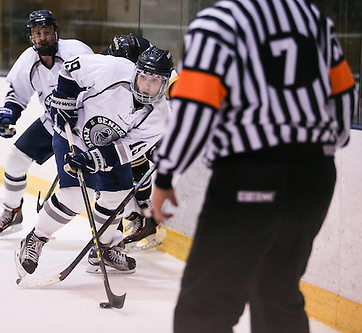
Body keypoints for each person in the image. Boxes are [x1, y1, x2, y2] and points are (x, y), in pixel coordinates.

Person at [151, 0, 357, 332]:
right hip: (315, 175)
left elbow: (195, 106)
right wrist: (318, 150)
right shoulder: (311, 17)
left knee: (204, 307)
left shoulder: (219, 20)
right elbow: (345, 94)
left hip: (251, 172)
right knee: (277, 292)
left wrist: (166, 172)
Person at [15, 46, 174, 277]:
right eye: (143, 77)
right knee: (77, 196)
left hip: (109, 148)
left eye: (155, 81)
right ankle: (35, 239)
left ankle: (102, 248)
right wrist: (65, 97)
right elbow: (70, 68)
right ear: (136, 72)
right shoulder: (114, 69)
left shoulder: (160, 117)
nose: (147, 86)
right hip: (74, 133)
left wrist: (94, 159)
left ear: (165, 83)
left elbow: (124, 150)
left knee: (118, 196)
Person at [0, 10, 93, 238]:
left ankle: (114, 226)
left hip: (85, 125)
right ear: (31, 37)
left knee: (97, 177)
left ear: (56, 32)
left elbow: (97, 87)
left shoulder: (77, 52)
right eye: (37, 33)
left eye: (46, 32)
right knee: (16, 159)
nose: (42, 37)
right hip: (53, 121)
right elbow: (17, 96)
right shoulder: (28, 61)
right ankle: (12, 210)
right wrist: (8, 115)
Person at [102, 34, 176, 250]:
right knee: (109, 167)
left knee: (133, 159)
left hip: (151, 123)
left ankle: (142, 211)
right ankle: (137, 216)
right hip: (124, 119)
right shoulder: (111, 58)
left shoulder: (159, 66)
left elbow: (178, 95)